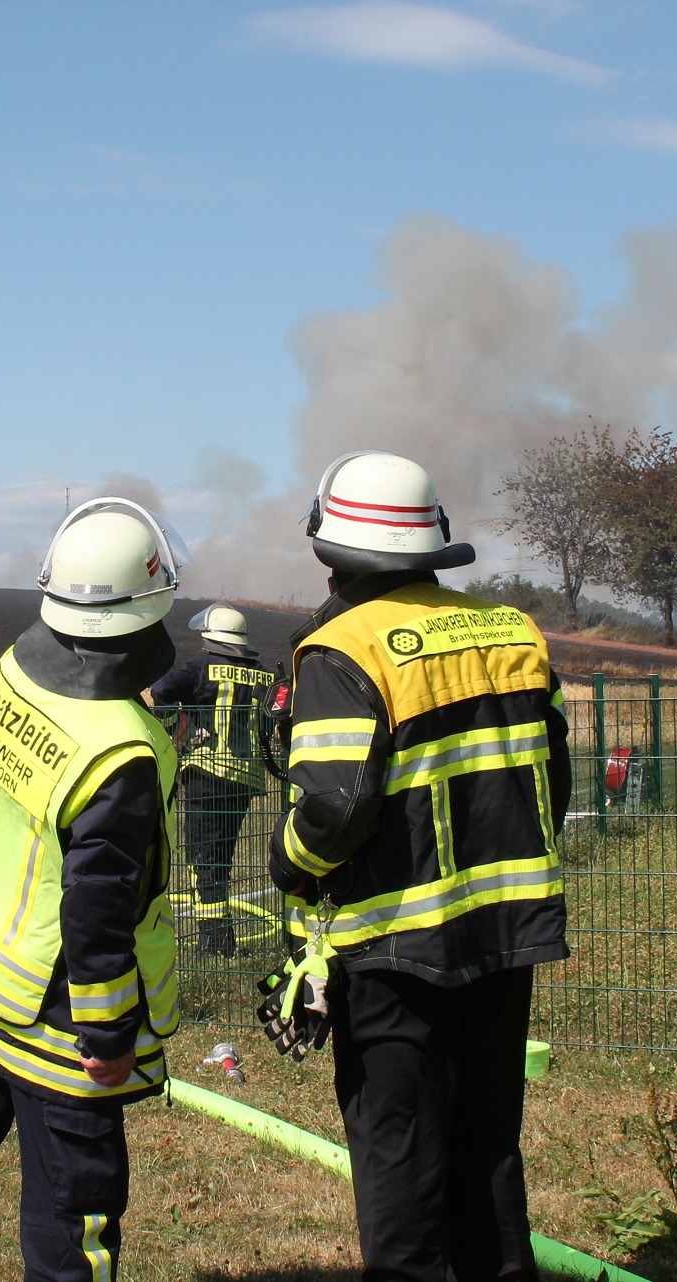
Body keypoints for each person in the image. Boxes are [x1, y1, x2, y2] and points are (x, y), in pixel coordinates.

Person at [261, 451, 571, 1282]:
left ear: (329, 549)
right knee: (485, 1145)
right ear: (433, 542)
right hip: (505, 932)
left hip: (395, 949)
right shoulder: (510, 631)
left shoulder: (343, 649)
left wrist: (288, 864)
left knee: (398, 1155)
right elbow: (553, 780)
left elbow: (334, 809)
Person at [0, 498, 187, 1282]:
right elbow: (99, 907)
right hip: (57, 1030)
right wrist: (108, 1036)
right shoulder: (122, 751)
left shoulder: (14, 671)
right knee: (70, 1230)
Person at [149, 603, 271, 956]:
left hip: (207, 775)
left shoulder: (201, 667)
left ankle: (215, 944)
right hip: (246, 779)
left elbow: (162, 691)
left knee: (202, 859)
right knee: (222, 857)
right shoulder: (264, 675)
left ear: (212, 636)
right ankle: (219, 936)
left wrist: (177, 729)